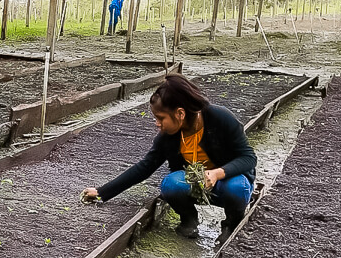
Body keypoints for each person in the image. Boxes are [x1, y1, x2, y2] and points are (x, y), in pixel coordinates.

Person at [81, 75, 255, 243]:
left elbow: (248, 158)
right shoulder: (169, 136)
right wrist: (102, 192)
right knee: (171, 184)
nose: (157, 123)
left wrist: (217, 173)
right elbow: (145, 167)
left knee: (237, 187)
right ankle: (189, 220)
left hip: (227, 182)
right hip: (196, 184)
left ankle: (230, 226)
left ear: (180, 113)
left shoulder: (219, 118)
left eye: (160, 118)